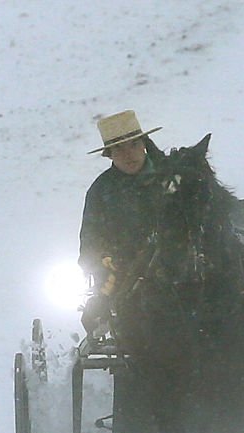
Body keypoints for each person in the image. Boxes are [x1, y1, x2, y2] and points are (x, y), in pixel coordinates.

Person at [78, 109, 164, 334]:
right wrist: (105, 263)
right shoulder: (101, 191)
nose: (129, 154)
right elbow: (90, 240)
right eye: (119, 149)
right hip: (125, 274)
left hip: (176, 264)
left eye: (134, 145)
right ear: (109, 155)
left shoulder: (170, 176)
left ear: (144, 144)